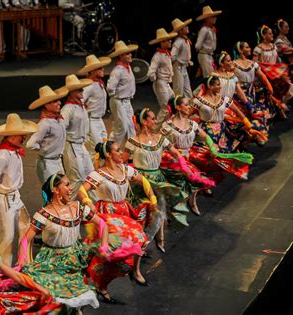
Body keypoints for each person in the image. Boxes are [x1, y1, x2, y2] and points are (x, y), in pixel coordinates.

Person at [17, 174, 108, 311]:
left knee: (78, 298)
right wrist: (22, 259)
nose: (70, 188)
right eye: (66, 185)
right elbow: (26, 239)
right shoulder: (44, 215)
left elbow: (101, 223)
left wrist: (104, 246)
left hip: (74, 259)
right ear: (55, 190)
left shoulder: (78, 208)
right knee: (55, 298)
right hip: (52, 260)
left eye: (70, 184)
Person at [78, 141, 153, 301]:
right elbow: (81, 189)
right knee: (110, 252)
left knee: (141, 240)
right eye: (117, 150)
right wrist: (88, 202)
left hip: (124, 211)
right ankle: (101, 285)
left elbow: (143, 180)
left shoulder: (125, 170)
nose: (121, 153)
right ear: (108, 154)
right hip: (107, 213)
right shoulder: (98, 175)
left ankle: (136, 270)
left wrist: (151, 196)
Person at [124, 108, 185, 252]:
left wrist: (184, 166)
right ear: (144, 122)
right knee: (141, 214)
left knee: (160, 209)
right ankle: (141, 244)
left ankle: (158, 240)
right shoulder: (133, 141)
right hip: (140, 183)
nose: (155, 121)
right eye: (152, 118)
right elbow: (123, 163)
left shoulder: (160, 139)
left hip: (157, 180)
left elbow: (175, 152)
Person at [0, 113, 38, 266]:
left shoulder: (14, 151)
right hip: (5, 198)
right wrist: (2, 191)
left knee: (26, 227)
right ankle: (3, 269)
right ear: (13, 136)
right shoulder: (2, 155)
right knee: (7, 237)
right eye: (22, 135)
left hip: (15, 196)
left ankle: (25, 263)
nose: (24, 137)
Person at [161, 96, 216, 216]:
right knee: (192, 176)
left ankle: (192, 200)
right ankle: (181, 205)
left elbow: (205, 136)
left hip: (190, 154)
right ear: (178, 107)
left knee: (206, 167)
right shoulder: (168, 125)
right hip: (176, 158)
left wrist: (212, 146)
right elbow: (160, 142)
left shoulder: (192, 124)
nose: (189, 107)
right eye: (186, 105)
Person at [60, 74, 94, 199]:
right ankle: (68, 205)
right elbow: (61, 128)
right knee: (77, 178)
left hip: (81, 145)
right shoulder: (68, 109)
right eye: (79, 89)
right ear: (72, 92)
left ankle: (90, 205)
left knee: (90, 176)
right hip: (72, 145)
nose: (82, 90)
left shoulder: (80, 105)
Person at [27, 85, 69, 183]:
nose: (59, 103)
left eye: (58, 100)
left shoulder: (59, 119)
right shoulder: (44, 124)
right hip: (48, 163)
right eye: (55, 101)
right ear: (46, 105)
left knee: (62, 190)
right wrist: (43, 149)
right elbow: (31, 144)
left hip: (58, 161)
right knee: (52, 193)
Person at [234, 41, 274, 142]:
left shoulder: (253, 64)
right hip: (239, 92)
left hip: (251, 92)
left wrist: (269, 86)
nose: (249, 49)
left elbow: (262, 76)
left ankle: (259, 134)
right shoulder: (234, 64)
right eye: (247, 47)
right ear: (240, 50)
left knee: (262, 111)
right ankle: (249, 136)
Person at [253, 25, 293, 116]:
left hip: (273, 73)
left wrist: (280, 71)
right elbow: (255, 64)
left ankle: (280, 106)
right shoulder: (258, 49)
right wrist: (266, 71)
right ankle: (277, 108)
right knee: (272, 87)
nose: (272, 35)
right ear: (264, 36)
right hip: (263, 75)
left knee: (286, 84)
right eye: (270, 33)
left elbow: (276, 61)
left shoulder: (273, 46)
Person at [78, 54, 112, 155]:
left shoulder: (99, 83)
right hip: (91, 120)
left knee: (104, 145)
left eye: (102, 67)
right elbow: (80, 101)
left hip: (99, 120)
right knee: (95, 148)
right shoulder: (89, 86)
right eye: (98, 68)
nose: (102, 69)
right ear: (92, 71)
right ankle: (92, 169)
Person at [107, 40, 139, 146]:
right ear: (121, 56)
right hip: (118, 101)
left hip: (127, 101)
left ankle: (131, 151)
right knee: (122, 127)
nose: (130, 55)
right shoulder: (117, 71)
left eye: (130, 53)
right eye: (127, 53)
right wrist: (117, 97)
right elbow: (110, 88)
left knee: (131, 126)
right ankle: (112, 149)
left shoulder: (128, 67)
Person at [148, 28, 178, 127]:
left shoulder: (166, 54)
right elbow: (151, 72)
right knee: (165, 107)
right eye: (167, 40)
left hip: (166, 83)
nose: (170, 41)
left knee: (173, 102)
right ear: (162, 42)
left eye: (170, 40)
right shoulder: (157, 56)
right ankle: (155, 128)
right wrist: (156, 81)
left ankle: (168, 126)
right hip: (161, 83)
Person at [274, 18, 293, 102]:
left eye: (288, 27)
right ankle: (285, 100)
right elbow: (284, 49)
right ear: (280, 28)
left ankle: (291, 98)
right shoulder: (279, 40)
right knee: (287, 83)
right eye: (286, 27)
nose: (288, 29)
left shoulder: (285, 38)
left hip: (290, 64)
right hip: (284, 65)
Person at [195, 6, 221, 77]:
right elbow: (197, 45)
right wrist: (203, 51)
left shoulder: (211, 29)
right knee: (208, 76)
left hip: (209, 55)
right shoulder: (204, 30)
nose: (215, 18)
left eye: (214, 16)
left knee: (212, 75)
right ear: (207, 19)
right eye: (212, 17)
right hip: (204, 54)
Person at [171, 18, 193, 98]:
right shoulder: (178, 42)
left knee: (187, 89)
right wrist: (178, 62)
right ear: (180, 31)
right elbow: (172, 56)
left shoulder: (185, 40)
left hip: (184, 67)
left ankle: (189, 107)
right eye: (184, 27)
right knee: (178, 89)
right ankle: (176, 108)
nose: (187, 27)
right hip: (178, 67)